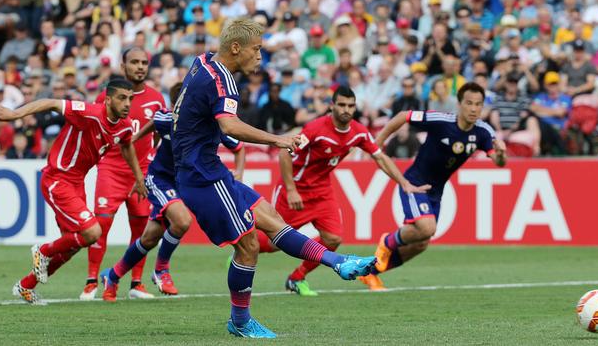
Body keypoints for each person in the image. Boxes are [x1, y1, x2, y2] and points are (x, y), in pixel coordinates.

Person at [171, 18, 376, 338]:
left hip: (205, 168)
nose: (259, 57)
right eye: (256, 50)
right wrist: (277, 139)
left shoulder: (202, 62)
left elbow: (193, 111)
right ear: (235, 48)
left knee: (271, 217)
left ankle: (338, 261)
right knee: (249, 246)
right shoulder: (224, 80)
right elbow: (229, 124)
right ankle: (240, 322)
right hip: (201, 175)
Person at [257, 86, 429, 296]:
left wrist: (403, 182)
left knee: (334, 239)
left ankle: (297, 278)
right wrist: (291, 189)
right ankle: (247, 247)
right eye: (341, 105)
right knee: (275, 242)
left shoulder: (358, 132)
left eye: (350, 105)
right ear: (332, 106)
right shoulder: (315, 129)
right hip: (296, 190)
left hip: (322, 191)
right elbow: (285, 152)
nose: (346, 109)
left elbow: (380, 157)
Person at [0, 80, 147, 305]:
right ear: (109, 99)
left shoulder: (125, 125)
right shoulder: (90, 112)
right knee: (92, 233)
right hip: (57, 178)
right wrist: (15, 115)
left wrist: (139, 178)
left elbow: (126, 145)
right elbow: (51, 102)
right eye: (122, 98)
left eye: (130, 98)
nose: (127, 103)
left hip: (76, 183)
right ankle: (43, 250)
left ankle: (26, 285)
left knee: (74, 244)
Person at [99, 83, 246, 301]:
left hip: (183, 183)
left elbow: (238, 147)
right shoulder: (166, 118)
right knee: (182, 220)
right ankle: (161, 270)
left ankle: (112, 275)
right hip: (159, 179)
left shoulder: (209, 124)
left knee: (148, 239)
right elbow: (149, 129)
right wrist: (132, 143)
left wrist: (239, 172)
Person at [358, 83, 506, 291]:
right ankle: (388, 241)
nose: (474, 109)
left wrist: (501, 154)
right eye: (469, 103)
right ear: (460, 104)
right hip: (415, 183)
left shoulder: (482, 132)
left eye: (478, 105)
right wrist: (377, 142)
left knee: (421, 243)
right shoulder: (441, 121)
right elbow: (403, 116)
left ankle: (372, 273)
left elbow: (499, 162)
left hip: (436, 191)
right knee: (427, 228)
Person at [81, 47, 166, 301]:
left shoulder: (156, 99)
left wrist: (151, 159)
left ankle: (136, 282)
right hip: (111, 169)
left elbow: (159, 133)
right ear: (123, 65)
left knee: (142, 229)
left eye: (144, 62)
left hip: (142, 172)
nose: (140, 67)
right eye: (134, 62)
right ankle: (91, 281)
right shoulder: (105, 98)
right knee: (101, 225)